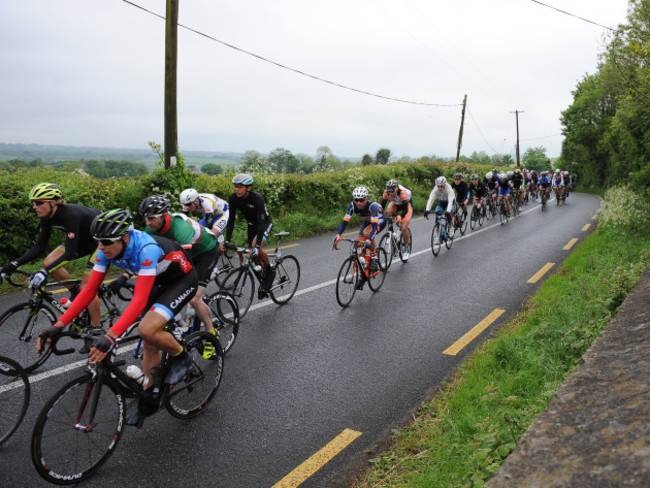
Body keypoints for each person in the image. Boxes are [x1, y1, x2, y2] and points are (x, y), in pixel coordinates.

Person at [36, 209, 198, 427]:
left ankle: (181, 356)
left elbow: (139, 300)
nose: (100, 247)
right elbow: (88, 291)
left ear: (125, 237)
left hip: (181, 281)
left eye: (105, 242)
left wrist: (111, 336)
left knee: (147, 329)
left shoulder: (146, 248)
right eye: (98, 242)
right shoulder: (105, 250)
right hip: (156, 281)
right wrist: (58, 325)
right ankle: (151, 395)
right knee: (150, 341)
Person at [1, 183, 102, 327]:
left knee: (87, 287)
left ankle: (96, 329)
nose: (34, 206)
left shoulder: (70, 216)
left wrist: (44, 273)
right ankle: (75, 291)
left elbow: (69, 253)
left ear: (53, 202)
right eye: (33, 203)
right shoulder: (46, 216)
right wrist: (13, 264)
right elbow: (39, 247)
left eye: (38, 203)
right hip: (82, 240)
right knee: (48, 262)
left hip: (101, 242)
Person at [139, 194, 219, 346]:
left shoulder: (179, 226)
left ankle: (211, 333)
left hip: (206, 252)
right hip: (186, 255)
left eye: (151, 218)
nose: (147, 223)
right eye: (145, 219)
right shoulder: (152, 228)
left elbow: (187, 268)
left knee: (195, 298)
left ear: (163, 215)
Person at [222, 173, 275, 299]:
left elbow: (262, 223)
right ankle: (262, 275)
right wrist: (227, 240)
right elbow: (231, 221)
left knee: (255, 248)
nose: (236, 189)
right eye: (235, 186)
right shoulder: (233, 198)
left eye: (240, 187)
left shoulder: (257, 199)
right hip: (251, 225)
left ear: (249, 188)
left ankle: (270, 270)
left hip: (264, 223)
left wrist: (257, 246)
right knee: (254, 256)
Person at [332, 186, 386, 272]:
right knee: (359, 246)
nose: (358, 203)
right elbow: (344, 223)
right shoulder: (352, 206)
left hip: (379, 220)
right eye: (356, 200)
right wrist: (338, 235)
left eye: (361, 200)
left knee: (367, 233)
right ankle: (364, 270)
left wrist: (368, 240)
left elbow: (374, 227)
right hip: (367, 221)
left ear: (366, 199)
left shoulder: (373, 207)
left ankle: (374, 256)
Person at [382, 179, 413, 260]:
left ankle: (406, 249)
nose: (390, 192)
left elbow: (405, 209)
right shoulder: (386, 193)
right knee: (388, 211)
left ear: (396, 188)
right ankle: (390, 231)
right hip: (396, 203)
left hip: (406, 205)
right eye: (388, 189)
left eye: (392, 189)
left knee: (403, 227)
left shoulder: (402, 192)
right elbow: (382, 206)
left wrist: (400, 216)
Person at [424, 176, 455, 241]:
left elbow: (450, 201)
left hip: (450, 202)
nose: (440, 188)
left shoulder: (449, 189)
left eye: (441, 186)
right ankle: (437, 235)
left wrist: (448, 211)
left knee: (448, 214)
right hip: (441, 202)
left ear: (445, 185)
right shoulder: (435, 189)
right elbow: (431, 199)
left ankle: (451, 226)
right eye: (438, 186)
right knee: (437, 216)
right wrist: (427, 209)